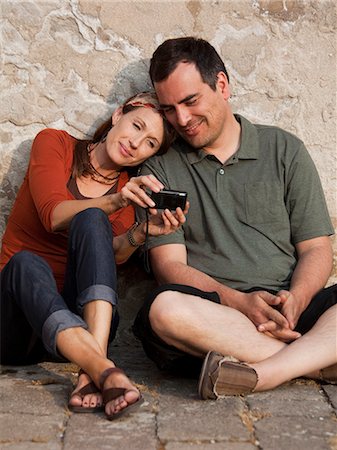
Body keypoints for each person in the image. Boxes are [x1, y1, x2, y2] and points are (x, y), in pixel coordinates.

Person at [133, 37, 337, 398]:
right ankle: (316, 363)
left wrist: (297, 299)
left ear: (222, 85)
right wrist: (241, 303)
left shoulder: (284, 150)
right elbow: (169, 268)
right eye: (169, 109)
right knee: (164, 309)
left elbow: (317, 248)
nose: (181, 119)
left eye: (190, 101)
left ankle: (262, 374)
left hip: (291, 311)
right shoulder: (159, 169)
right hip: (218, 316)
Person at [0, 91, 188, 419]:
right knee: (25, 262)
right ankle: (103, 369)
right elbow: (52, 215)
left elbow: (109, 257)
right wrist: (115, 202)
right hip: (15, 324)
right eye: (136, 126)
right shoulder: (55, 144)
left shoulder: (130, 191)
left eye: (150, 143)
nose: (136, 142)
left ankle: (90, 370)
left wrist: (140, 233)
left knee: (93, 220)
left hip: (77, 330)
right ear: (117, 116)